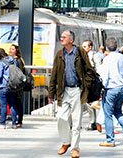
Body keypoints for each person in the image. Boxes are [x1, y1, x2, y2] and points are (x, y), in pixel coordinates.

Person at [48, 30, 96, 158]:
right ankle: (66, 141)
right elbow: (54, 74)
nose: (61, 39)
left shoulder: (80, 53)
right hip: (64, 91)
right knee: (61, 118)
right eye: (61, 37)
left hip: (77, 91)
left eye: (64, 37)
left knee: (76, 121)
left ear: (71, 40)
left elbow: (90, 71)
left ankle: (75, 148)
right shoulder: (59, 54)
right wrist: (51, 93)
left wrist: (86, 85)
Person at [97, 38, 123, 148]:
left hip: (112, 89)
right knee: (118, 111)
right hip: (122, 88)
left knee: (108, 114)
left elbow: (105, 75)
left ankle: (110, 140)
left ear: (107, 48)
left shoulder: (107, 59)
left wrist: (102, 88)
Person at [0, 48, 23, 129]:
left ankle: (3, 123)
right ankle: (14, 123)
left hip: (3, 86)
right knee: (12, 105)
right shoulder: (12, 60)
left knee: (3, 105)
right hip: (12, 86)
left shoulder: (0, 62)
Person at [81, 40, 102, 132]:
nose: (83, 48)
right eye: (83, 46)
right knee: (88, 102)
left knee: (90, 102)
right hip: (85, 82)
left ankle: (93, 122)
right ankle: (92, 122)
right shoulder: (82, 56)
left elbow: (99, 69)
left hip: (92, 82)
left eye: (85, 46)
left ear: (90, 47)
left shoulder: (95, 56)